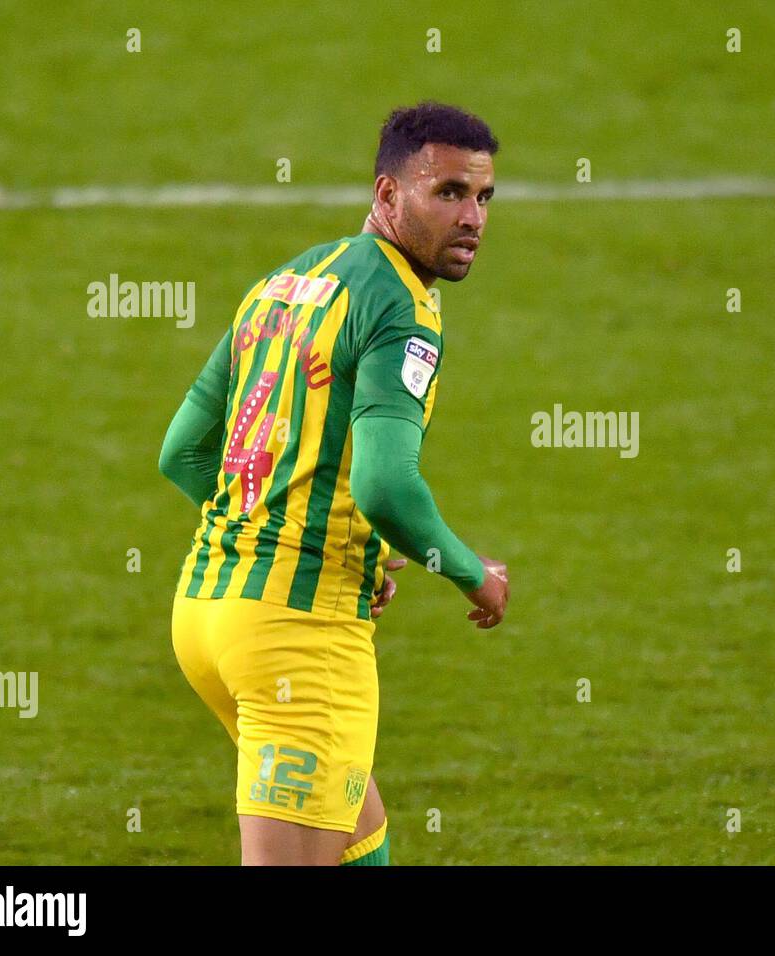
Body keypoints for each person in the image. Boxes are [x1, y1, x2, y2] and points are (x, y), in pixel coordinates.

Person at [158, 101, 508, 865]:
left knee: (361, 840)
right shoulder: (399, 308)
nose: (472, 217)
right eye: (447, 193)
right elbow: (386, 486)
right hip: (297, 636)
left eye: (483, 197)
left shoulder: (285, 282)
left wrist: (294, 536)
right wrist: (472, 574)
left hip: (207, 618)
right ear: (387, 196)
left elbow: (183, 451)